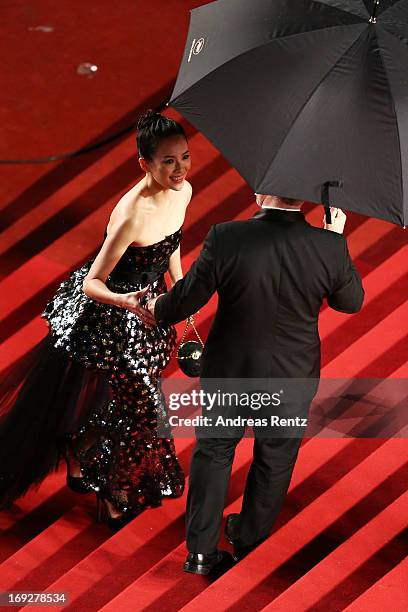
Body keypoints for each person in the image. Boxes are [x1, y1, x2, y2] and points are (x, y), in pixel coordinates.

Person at [146, 194, 364, 574]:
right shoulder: (328, 245)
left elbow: (187, 298)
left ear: (261, 193)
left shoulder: (227, 236)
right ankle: (248, 538)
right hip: (291, 376)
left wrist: (156, 309)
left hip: (230, 369)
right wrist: (335, 237)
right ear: (307, 199)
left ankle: (200, 553)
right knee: (276, 458)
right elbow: (350, 302)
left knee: (214, 452)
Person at [0, 110, 192, 528]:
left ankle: (82, 444)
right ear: (144, 164)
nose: (179, 170)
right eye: (168, 161)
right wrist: (129, 301)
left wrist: (181, 290)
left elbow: (173, 243)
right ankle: (113, 490)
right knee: (144, 406)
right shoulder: (130, 214)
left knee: (137, 404)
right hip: (109, 316)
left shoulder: (184, 191)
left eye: (184, 158)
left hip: (149, 309)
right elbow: (93, 282)